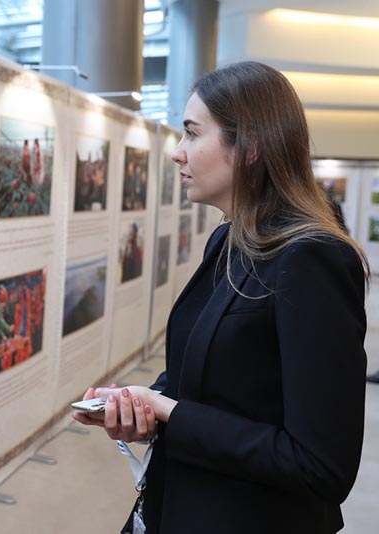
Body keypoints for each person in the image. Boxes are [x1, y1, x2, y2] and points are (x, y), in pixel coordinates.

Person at [73, 61, 368, 533]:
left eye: (192, 134)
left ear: (249, 146)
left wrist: (174, 412)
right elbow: (217, 375)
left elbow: (320, 466)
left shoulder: (311, 259)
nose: (177, 153)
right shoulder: (232, 238)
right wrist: (146, 404)